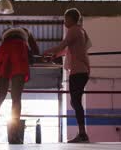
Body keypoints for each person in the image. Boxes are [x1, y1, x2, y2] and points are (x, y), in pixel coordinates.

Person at [0, 27, 39, 144]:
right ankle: (14, 135)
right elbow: (36, 51)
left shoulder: (6, 33)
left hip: (4, 51)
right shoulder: (26, 31)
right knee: (16, 98)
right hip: (18, 49)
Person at [43, 8, 91, 143]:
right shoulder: (80, 30)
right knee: (75, 101)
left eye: (66, 18)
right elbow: (67, 50)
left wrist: (45, 52)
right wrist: (54, 56)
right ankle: (82, 133)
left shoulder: (74, 30)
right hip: (81, 70)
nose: (64, 21)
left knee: (75, 101)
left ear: (71, 19)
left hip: (78, 71)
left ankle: (82, 134)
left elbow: (61, 46)